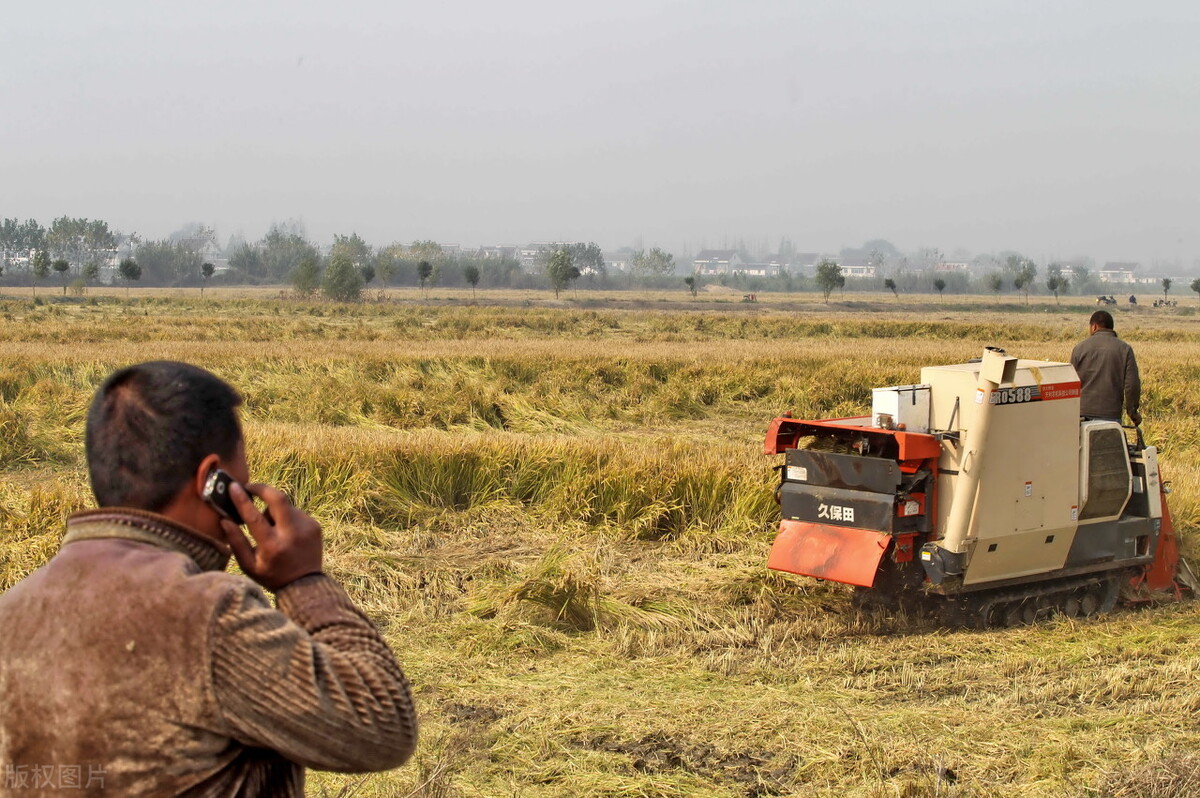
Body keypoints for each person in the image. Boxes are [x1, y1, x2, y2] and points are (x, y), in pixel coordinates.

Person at [0, 362, 417, 796]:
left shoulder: (11, 610)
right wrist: (303, 582)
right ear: (211, 481)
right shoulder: (209, 616)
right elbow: (382, 728)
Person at [1070, 310, 1142, 425]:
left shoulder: (1079, 348)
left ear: (1094, 327)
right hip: (1110, 415)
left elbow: (1071, 382)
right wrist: (1132, 412)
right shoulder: (1125, 349)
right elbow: (1132, 385)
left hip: (1081, 414)